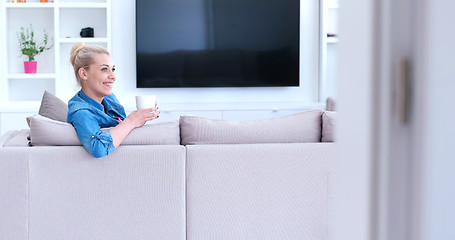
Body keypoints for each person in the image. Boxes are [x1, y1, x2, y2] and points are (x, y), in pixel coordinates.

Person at [67, 42, 160, 158]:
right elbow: (98, 148)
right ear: (84, 73)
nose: (113, 77)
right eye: (104, 69)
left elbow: (123, 128)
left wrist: (141, 118)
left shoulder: (109, 99)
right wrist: (131, 121)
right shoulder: (81, 113)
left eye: (113, 69)